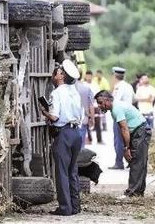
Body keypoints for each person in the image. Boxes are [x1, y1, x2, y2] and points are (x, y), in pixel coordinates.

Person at [41, 59, 82, 216]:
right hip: (76, 132)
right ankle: (75, 206)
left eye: (56, 73)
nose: (54, 75)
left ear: (61, 76)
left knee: (62, 172)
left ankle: (65, 208)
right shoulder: (75, 92)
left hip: (63, 133)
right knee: (72, 171)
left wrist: (44, 112)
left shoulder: (56, 93)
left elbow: (55, 117)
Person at [94, 90, 152, 197]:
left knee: (136, 162)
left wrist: (126, 148)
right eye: (98, 103)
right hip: (139, 131)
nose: (99, 105)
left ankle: (132, 193)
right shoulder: (114, 109)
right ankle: (138, 192)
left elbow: (124, 129)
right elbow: (122, 130)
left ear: (108, 100)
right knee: (140, 162)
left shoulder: (116, 109)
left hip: (141, 131)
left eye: (100, 102)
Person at [110, 66, 134, 169]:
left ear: (115, 75)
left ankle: (119, 163)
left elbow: (115, 101)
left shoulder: (118, 86)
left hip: (120, 116)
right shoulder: (129, 86)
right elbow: (135, 99)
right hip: (129, 115)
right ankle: (131, 161)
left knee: (118, 140)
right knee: (128, 139)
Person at [75, 68, 95, 148]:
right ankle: (80, 158)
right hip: (83, 120)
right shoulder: (87, 89)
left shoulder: (68, 89)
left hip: (69, 121)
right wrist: (92, 119)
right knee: (81, 143)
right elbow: (91, 105)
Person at [84, 70, 103, 144]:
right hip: (87, 106)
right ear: (85, 76)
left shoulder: (95, 85)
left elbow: (99, 95)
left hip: (95, 105)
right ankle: (89, 139)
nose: (88, 77)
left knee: (98, 122)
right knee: (87, 122)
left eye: (90, 76)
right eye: (87, 76)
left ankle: (99, 139)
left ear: (92, 76)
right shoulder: (84, 84)